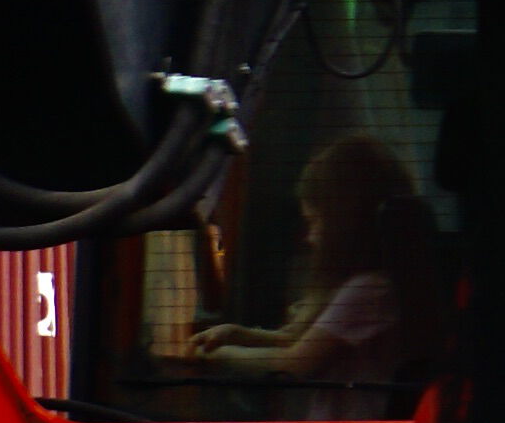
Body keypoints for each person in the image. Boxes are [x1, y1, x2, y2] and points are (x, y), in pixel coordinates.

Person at [190, 134, 454, 403]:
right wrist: (236, 333)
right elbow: (294, 338)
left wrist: (215, 356)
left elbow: (294, 362)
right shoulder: (365, 285)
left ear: (345, 223)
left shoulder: (370, 291)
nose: (310, 237)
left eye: (315, 222)